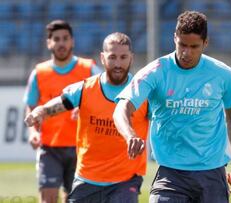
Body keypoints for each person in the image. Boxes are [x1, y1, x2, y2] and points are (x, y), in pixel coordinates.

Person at [113, 10, 231, 203]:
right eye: (182, 44)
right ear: (174, 38)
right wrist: (130, 135)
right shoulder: (155, 71)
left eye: (194, 46)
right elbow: (121, 108)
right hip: (170, 174)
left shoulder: (222, 74)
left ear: (205, 43)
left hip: (212, 173)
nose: (186, 52)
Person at [25, 32, 149, 203]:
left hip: (125, 181)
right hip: (87, 180)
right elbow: (60, 103)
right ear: (103, 58)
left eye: (123, 57)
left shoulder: (142, 92)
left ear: (131, 58)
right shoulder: (85, 89)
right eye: (112, 57)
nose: (118, 64)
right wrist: (41, 111)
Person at [23, 20, 100, 203]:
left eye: (65, 38)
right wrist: (33, 132)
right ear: (49, 43)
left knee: (73, 199)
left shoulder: (88, 69)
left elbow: (103, 97)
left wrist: (85, 108)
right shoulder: (39, 73)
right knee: (47, 197)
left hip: (81, 148)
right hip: (49, 147)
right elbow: (31, 105)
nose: (61, 43)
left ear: (72, 41)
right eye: (56, 39)